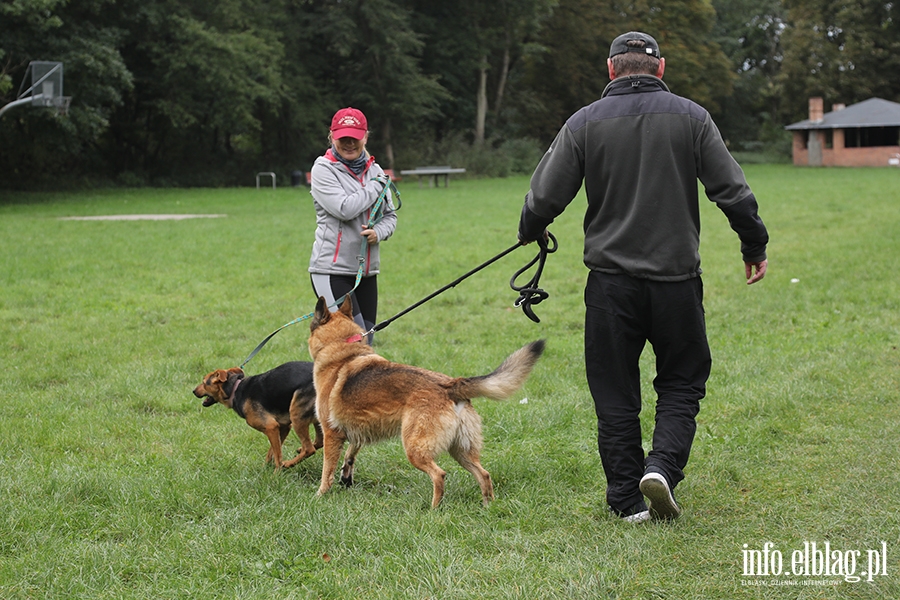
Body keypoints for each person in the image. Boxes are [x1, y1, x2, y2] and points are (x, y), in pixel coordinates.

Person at [516, 32, 768, 522]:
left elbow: (544, 197)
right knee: (681, 382)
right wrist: (753, 244)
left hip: (610, 286)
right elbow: (733, 191)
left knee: (614, 393)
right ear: (660, 68)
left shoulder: (583, 122)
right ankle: (663, 468)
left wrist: (530, 229)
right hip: (676, 282)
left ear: (611, 70)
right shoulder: (693, 118)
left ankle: (627, 502)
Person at [309, 107, 397, 344]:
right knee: (348, 343)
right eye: (343, 138)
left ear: (365, 137)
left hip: (366, 273)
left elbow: (390, 216)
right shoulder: (323, 169)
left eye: (355, 138)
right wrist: (375, 186)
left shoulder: (375, 171)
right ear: (332, 136)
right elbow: (344, 209)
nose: (349, 143)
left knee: (365, 343)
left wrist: (378, 232)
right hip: (331, 272)